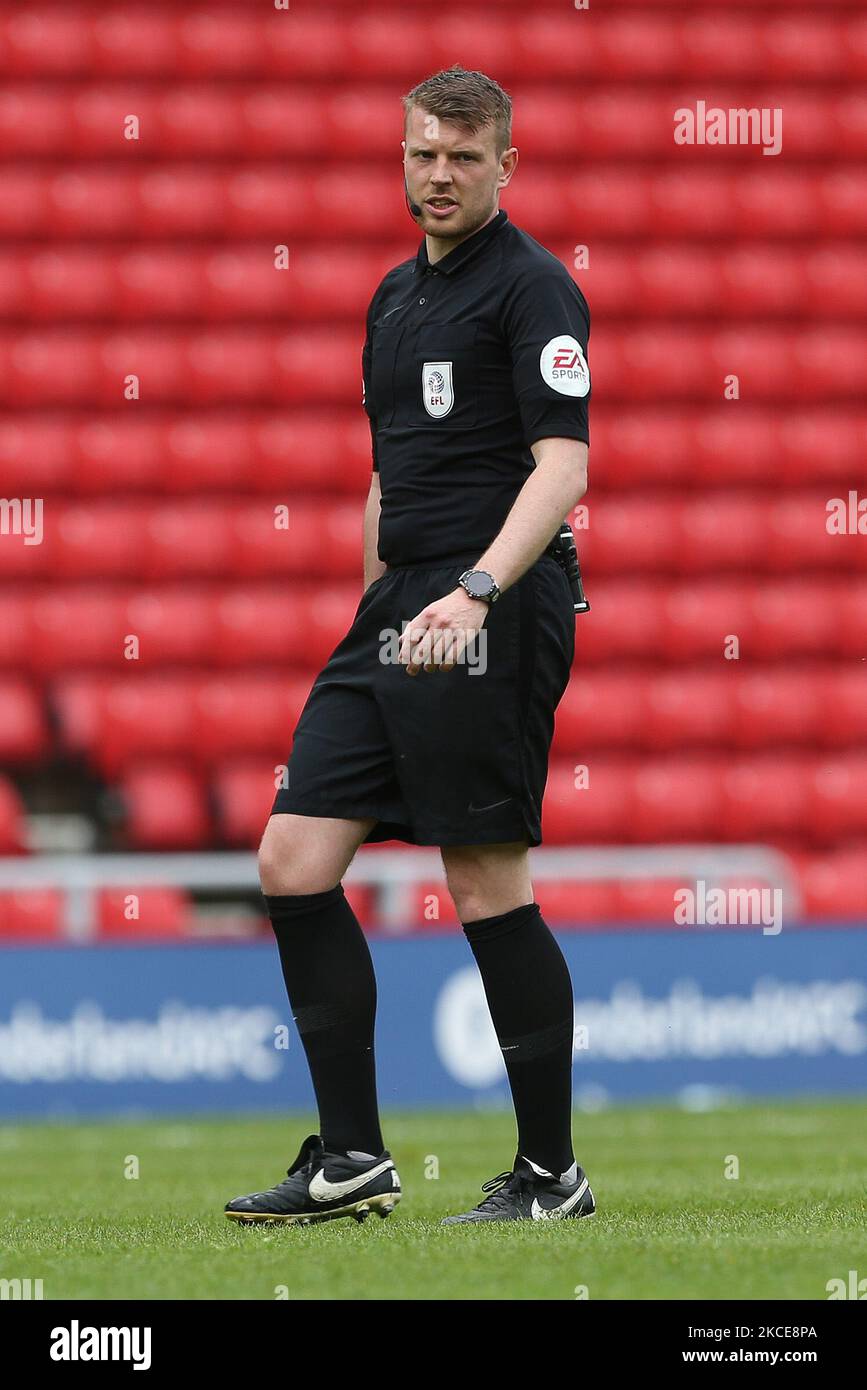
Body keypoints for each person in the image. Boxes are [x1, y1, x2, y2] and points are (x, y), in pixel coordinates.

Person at [226, 65, 594, 1227]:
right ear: (404, 154)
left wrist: (481, 588)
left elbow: (565, 468)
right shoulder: (391, 298)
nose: (439, 173)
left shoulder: (535, 290)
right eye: (424, 152)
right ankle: (351, 1155)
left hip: (491, 602)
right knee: (292, 857)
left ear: (505, 165)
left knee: (482, 875)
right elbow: (388, 476)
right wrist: (374, 604)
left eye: (463, 156)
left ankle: (550, 1177)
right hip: (397, 611)